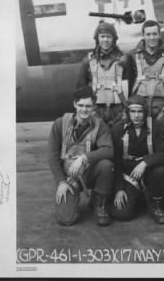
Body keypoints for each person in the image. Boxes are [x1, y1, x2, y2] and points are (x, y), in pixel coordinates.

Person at [48, 86, 114, 226]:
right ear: (74, 104)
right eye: (81, 105)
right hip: (69, 176)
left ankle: (99, 203)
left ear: (94, 106)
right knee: (66, 219)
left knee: (106, 165)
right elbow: (52, 156)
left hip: (88, 172)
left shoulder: (100, 125)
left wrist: (84, 158)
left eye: (88, 106)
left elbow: (108, 150)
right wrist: (61, 182)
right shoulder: (60, 123)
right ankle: (74, 197)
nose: (84, 110)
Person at [110, 95, 164, 224]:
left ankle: (156, 205)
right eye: (132, 112)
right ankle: (137, 199)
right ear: (128, 112)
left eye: (140, 111)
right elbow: (115, 161)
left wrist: (145, 163)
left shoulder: (157, 127)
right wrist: (119, 189)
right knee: (122, 214)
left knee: (161, 172)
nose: (136, 115)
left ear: (145, 112)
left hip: (149, 171)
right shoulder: (118, 130)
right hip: (128, 175)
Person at [77, 21, 131, 127]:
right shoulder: (88, 60)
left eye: (109, 37)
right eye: (102, 36)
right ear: (97, 39)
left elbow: (130, 85)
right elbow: (81, 88)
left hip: (118, 110)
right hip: (96, 111)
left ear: (114, 39)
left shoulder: (123, 59)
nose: (105, 40)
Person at [129, 20, 164, 131]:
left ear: (159, 35)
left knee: (161, 138)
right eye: (148, 34)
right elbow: (128, 82)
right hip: (139, 105)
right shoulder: (132, 56)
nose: (152, 37)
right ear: (143, 36)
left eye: (154, 34)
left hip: (161, 106)